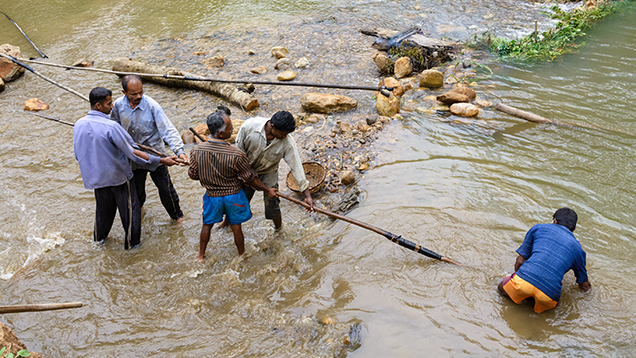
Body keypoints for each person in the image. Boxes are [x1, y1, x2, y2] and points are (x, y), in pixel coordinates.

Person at [74, 87, 178, 249]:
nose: (112, 107)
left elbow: (78, 154)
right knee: (131, 213)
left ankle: (98, 242)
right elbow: (133, 153)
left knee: (103, 213)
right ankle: (132, 247)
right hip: (118, 178)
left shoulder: (79, 124)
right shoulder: (111, 127)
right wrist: (162, 160)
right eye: (109, 104)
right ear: (98, 106)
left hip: (96, 179)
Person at [188, 106, 278, 260]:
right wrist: (266, 189)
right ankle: (241, 255)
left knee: (207, 225)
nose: (233, 129)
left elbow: (193, 175)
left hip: (212, 196)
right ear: (222, 133)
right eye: (230, 128)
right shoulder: (236, 154)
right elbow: (250, 178)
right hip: (233, 197)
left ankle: (201, 255)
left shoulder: (196, 151)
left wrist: (207, 176)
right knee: (236, 228)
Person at [110, 74, 188, 224]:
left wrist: (180, 152)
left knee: (166, 190)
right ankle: (139, 211)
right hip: (134, 156)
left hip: (156, 155)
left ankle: (177, 217)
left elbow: (168, 130)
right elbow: (114, 126)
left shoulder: (152, 106)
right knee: (137, 190)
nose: (139, 96)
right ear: (124, 92)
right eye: (134, 94)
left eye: (141, 92)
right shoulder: (118, 105)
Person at [226, 110, 313, 230]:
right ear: (272, 126)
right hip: (246, 168)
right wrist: (245, 173)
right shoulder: (249, 127)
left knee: (272, 204)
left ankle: (279, 230)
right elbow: (239, 152)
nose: (285, 136)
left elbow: (296, 166)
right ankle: (227, 224)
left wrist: (307, 195)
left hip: (268, 171)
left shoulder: (287, 142)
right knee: (238, 202)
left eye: (286, 134)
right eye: (283, 133)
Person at [498, 208, 592, 313]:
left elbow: (520, 261)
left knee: (501, 287)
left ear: (555, 221)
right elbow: (584, 285)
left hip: (523, 285)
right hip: (548, 296)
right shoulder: (578, 249)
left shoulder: (538, 228)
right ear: (573, 229)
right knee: (549, 309)